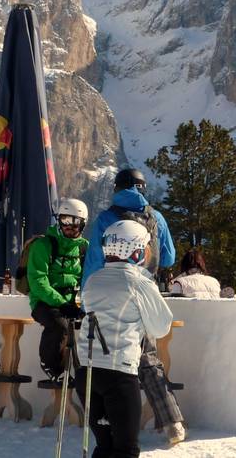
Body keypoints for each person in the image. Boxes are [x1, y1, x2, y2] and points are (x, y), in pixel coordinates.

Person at [83, 168, 184, 445]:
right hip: (144, 290)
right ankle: (172, 422)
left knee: (107, 357)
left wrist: (87, 295)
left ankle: (110, 424)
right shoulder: (156, 217)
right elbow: (168, 257)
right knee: (148, 358)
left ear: (117, 188)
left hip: (109, 291)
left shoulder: (106, 218)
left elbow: (94, 261)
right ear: (142, 188)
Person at [78, 219, 173, 458]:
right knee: (126, 449)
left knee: (104, 445)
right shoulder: (138, 283)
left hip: (87, 371)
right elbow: (161, 327)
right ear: (136, 251)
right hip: (118, 374)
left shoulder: (93, 280)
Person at [27, 198, 88, 382]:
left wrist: (80, 303)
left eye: (75, 222)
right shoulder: (43, 245)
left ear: (83, 224)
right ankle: (52, 367)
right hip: (43, 302)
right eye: (65, 220)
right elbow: (38, 281)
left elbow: (89, 278)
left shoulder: (84, 248)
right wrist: (62, 304)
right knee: (59, 325)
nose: (69, 226)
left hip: (72, 302)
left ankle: (87, 375)